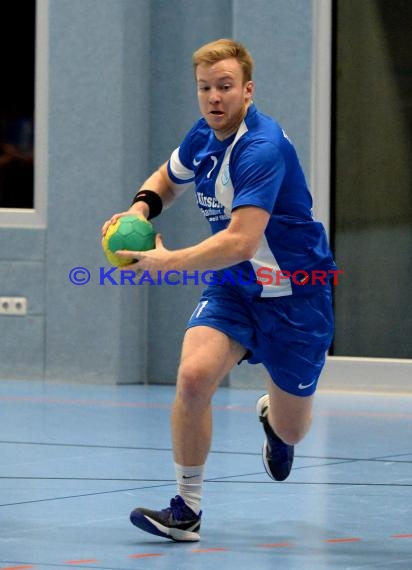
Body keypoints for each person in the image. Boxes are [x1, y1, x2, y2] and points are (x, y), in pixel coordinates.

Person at [101, 38, 336, 542]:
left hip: (297, 294)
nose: (213, 97)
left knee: (295, 429)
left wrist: (169, 263)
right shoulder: (203, 135)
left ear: (247, 91)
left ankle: (275, 422)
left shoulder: (261, 147)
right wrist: (140, 209)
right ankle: (186, 509)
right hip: (235, 287)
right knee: (192, 376)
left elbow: (241, 240)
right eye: (205, 87)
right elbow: (168, 177)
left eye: (225, 86)